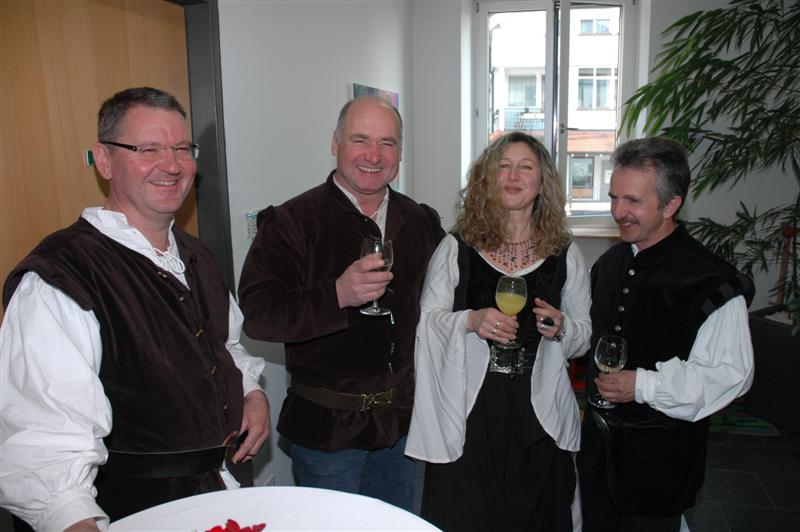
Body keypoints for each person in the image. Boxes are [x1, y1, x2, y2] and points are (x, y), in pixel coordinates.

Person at [0, 87, 270, 531]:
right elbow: (43, 443)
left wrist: (251, 392)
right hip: (133, 511)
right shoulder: (60, 276)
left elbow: (225, 347)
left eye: (181, 148)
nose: (171, 164)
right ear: (104, 161)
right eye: (148, 149)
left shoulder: (198, 256)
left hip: (219, 495)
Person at [237, 96, 443, 511]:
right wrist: (337, 295)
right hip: (327, 434)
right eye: (360, 140)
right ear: (335, 144)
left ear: (400, 152)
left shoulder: (421, 220)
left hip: (403, 425)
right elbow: (258, 315)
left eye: (387, 143)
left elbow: (446, 301)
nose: (373, 155)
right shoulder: (291, 222)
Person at [405, 131, 592, 531]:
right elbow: (427, 322)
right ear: (487, 178)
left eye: (525, 167)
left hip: (538, 411)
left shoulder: (565, 253)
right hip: (472, 408)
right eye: (503, 166)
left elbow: (584, 336)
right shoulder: (457, 247)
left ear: (542, 180)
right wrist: (470, 321)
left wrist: (562, 328)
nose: (513, 176)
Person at [577, 137, 755, 532]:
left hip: (659, 470)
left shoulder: (711, 281)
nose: (618, 211)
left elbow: (730, 375)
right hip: (597, 461)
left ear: (671, 204)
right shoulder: (610, 262)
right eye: (614, 197)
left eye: (633, 201)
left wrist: (643, 385)